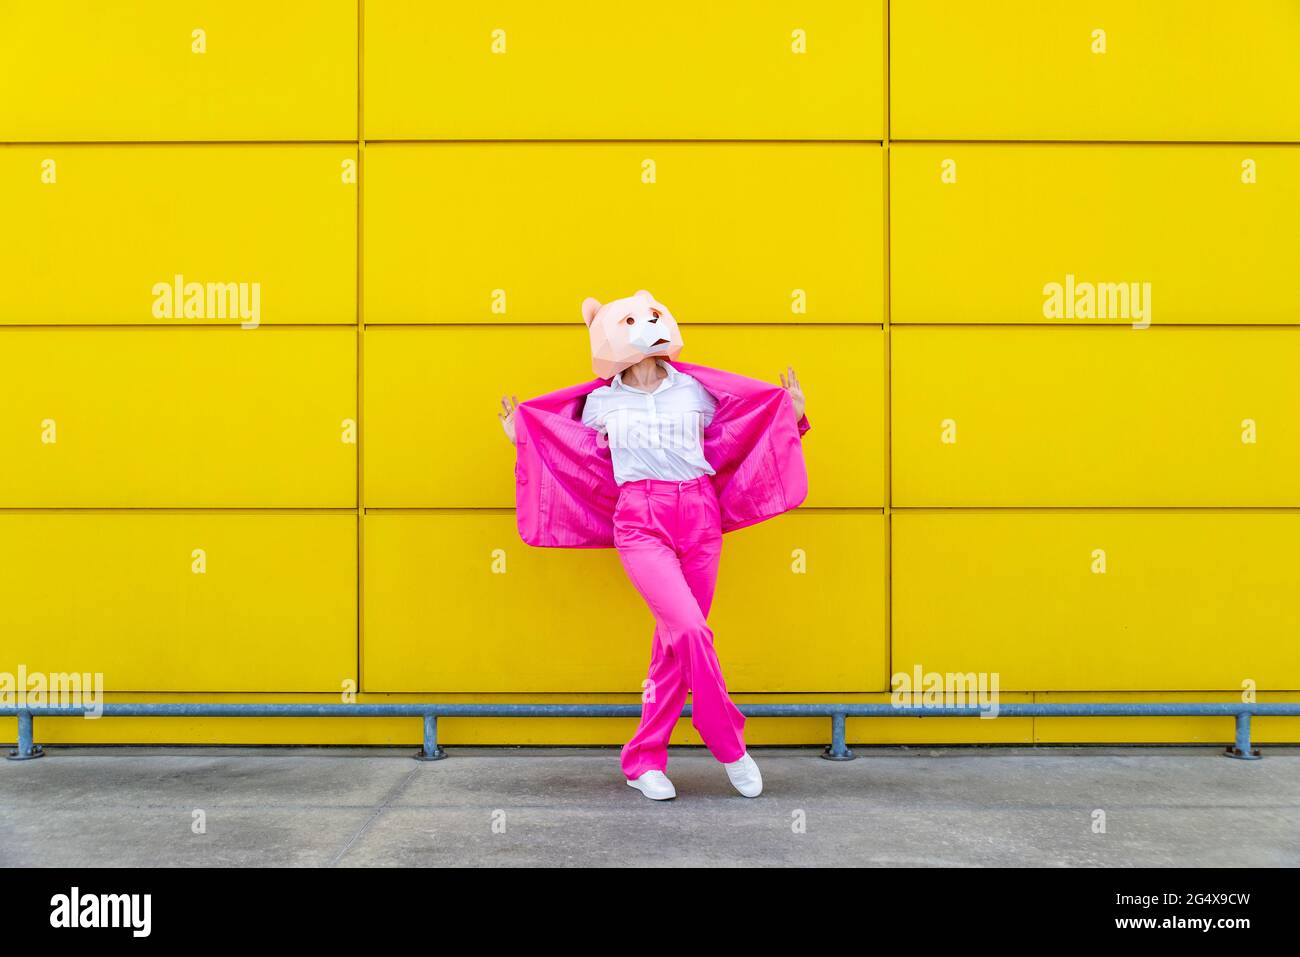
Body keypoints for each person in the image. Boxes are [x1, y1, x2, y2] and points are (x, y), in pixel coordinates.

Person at [498, 290, 809, 800]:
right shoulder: (600, 403)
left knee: (672, 645)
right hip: (640, 521)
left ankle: (643, 760)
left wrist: (789, 416)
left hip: (700, 515)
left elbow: (742, 440)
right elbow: (565, 452)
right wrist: (523, 440)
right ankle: (728, 741)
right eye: (632, 321)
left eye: (653, 317)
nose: (646, 327)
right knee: (689, 629)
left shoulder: (696, 392)